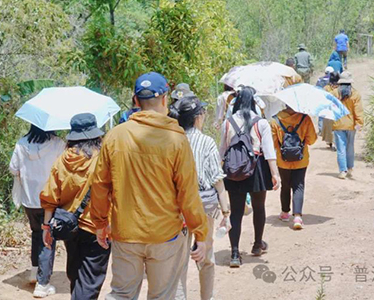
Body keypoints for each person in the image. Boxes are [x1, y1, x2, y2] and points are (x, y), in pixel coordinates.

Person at [90, 72, 208, 300]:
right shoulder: (176, 139)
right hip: (165, 235)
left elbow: (100, 185)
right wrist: (200, 231)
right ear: (165, 99)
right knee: (162, 296)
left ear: (135, 101)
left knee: (121, 294)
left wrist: (100, 223)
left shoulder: (114, 137)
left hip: (126, 233)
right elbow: (188, 192)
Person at [40, 113, 110, 299]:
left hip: (69, 227)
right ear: (96, 135)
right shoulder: (102, 160)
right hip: (97, 228)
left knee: (76, 275)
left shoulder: (62, 160)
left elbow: (50, 196)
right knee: (90, 282)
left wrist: (46, 227)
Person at [174, 96, 230, 300]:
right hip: (203, 207)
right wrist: (226, 213)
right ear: (198, 117)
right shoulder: (207, 142)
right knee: (206, 258)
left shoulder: (172, 140)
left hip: (176, 209)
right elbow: (217, 180)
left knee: (178, 264)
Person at [219, 87, 280, 267]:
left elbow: (222, 150)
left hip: (234, 168)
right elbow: (269, 151)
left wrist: (218, 172)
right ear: (254, 102)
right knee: (259, 207)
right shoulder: (261, 123)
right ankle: (257, 245)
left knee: (236, 212)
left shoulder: (228, 123)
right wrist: (275, 174)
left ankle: (235, 254)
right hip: (257, 168)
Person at [9, 125, 66, 296]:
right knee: (48, 238)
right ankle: (42, 284)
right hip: (50, 199)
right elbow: (63, 170)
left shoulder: (21, 143)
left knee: (36, 233)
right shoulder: (58, 144)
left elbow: (13, 169)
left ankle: (35, 272)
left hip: (29, 200)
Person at [271, 107, 317, 230]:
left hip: (283, 161)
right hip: (301, 160)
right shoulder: (305, 118)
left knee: (285, 185)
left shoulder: (275, 120)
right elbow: (311, 140)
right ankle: (297, 217)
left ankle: (285, 213)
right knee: (299, 185)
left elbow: (273, 143)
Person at [328, 72, 364, 179]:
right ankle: (350, 168)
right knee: (350, 147)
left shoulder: (334, 93)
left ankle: (342, 171)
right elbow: (358, 110)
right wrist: (359, 123)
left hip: (338, 124)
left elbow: (330, 108)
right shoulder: (355, 94)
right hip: (351, 125)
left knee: (341, 149)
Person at [321, 71, 341, 149]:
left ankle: (330, 142)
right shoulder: (340, 88)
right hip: (338, 110)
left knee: (329, 126)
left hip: (329, 110)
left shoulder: (326, 88)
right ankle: (335, 142)